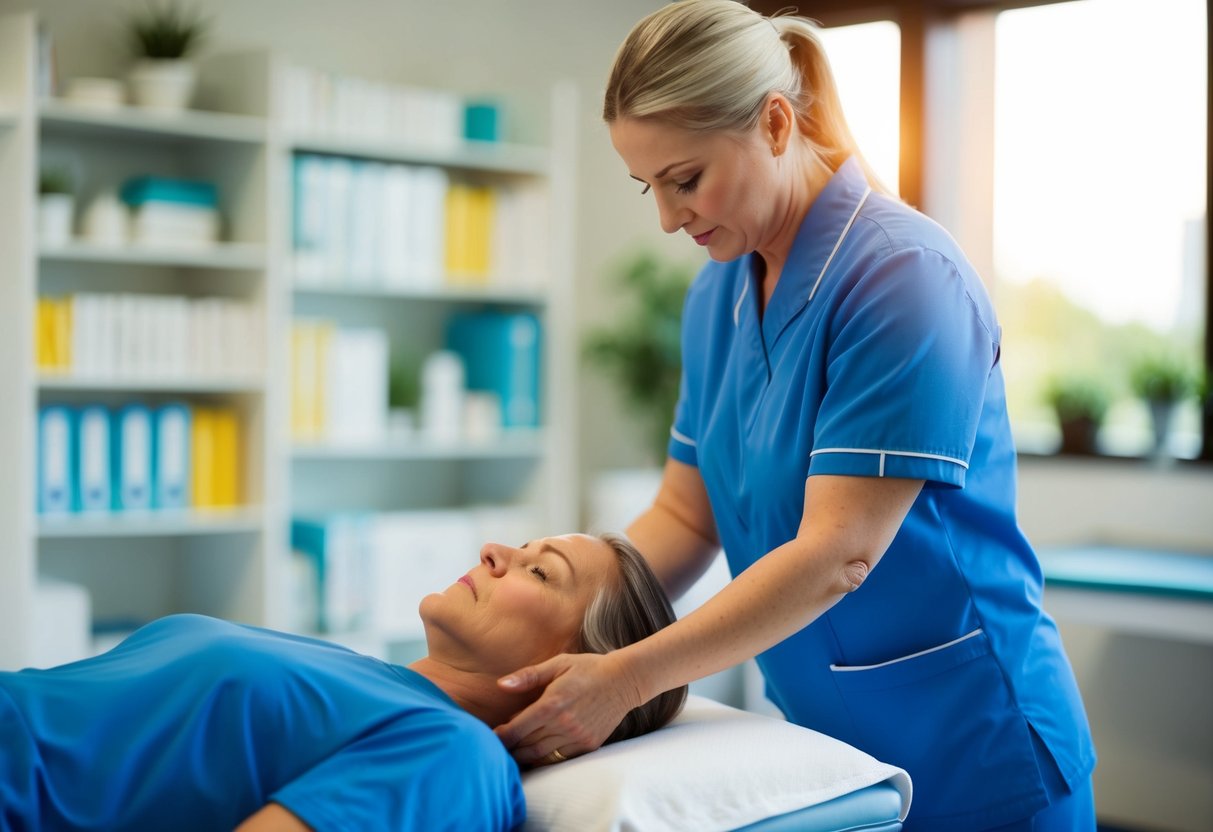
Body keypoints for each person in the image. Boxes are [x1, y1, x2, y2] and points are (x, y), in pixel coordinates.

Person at [492, 2, 1097, 830]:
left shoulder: (902, 278)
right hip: (824, 746)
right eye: (648, 186)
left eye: (685, 178)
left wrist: (629, 678)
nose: (668, 219)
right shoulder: (719, 291)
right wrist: (563, 630)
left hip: (973, 740)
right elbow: (683, 512)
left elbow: (836, 555)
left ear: (775, 123)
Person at [0, 533, 686, 832]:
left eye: (541, 572)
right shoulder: (367, 677)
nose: (495, 551)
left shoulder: (451, 756)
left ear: (574, 676)